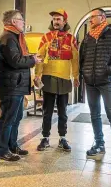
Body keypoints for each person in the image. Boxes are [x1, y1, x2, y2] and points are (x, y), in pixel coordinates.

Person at [79, 8, 111, 169]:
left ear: (102, 17)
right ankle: (99, 144)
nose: (90, 20)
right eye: (89, 17)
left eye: (92, 17)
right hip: (90, 83)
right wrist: (83, 73)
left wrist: (109, 70)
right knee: (94, 114)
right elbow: (82, 58)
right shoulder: (87, 38)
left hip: (107, 82)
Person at [0, 10, 42, 161]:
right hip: (10, 86)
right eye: (21, 20)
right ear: (14, 21)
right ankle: (2, 150)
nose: (23, 22)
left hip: (16, 84)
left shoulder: (16, 37)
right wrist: (32, 60)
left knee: (16, 118)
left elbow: (19, 58)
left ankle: (12, 145)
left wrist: (30, 58)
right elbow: (16, 61)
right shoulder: (8, 38)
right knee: (8, 119)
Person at [34, 9, 79, 152]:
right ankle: (45, 137)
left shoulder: (71, 39)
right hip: (48, 77)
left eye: (58, 19)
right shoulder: (46, 37)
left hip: (65, 78)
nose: (56, 21)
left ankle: (62, 138)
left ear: (64, 21)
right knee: (47, 111)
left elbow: (75, 59)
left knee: (63, 111)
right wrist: (37, 75)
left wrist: (76, 76)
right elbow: (39, 57)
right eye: (54, 19)